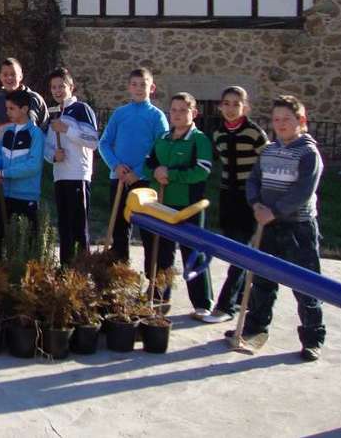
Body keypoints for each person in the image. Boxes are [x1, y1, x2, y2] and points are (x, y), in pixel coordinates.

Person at [231, 95, 325, 361]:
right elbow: (254, 181)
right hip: (266, 224)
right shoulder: (269, 151)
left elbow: (303, 191)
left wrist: (275, 211)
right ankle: (255, 328)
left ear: (301, 121)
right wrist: (257, 205)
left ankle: (312, 337)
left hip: (298, 228)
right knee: (261, 280)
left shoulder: (308, 153)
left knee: (306, 284)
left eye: (287, 119)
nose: (281, 124)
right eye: (276, 120)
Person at [142, 92, 215, 319]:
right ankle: (160, 297)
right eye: (173, 110)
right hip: (163, 205)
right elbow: (147, 164)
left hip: (189, 206)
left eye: (183, 110)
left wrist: (171, 174)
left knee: (192, 252)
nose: (177, 114)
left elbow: (202, 170)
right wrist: (155, 172)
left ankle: (202, 301)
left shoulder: (199, 140)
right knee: (162, 252)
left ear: (194, 113)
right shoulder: (162, 139)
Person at [204, 86, 270, 323]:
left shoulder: (255, 133)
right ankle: (243, 298)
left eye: (236, 103)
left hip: (250, 198)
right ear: (220, 106)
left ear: (246, 107)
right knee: (235, 250)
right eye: (227, 103)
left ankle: (225, 306)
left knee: (241, 253)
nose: (231, 109)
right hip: (228, 197)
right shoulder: (219, 134)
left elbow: (268, 163)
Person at [97, 67, 169, 261]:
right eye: (135, 84)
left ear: (152, 87)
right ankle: (119, 275)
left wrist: (139, 172)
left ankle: (152, 283)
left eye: (143, 84)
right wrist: (116, 166)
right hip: (119, 178)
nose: (139, 88)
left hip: (144, 182)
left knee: (148, 232)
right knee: (119, 229)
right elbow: (103, 143)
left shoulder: (157, 116)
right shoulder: (120, 114)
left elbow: (160, 148)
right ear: (129, 87)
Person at [43, 68, 98, 265]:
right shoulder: (54, 113)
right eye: (53, 87)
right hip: (60, 175)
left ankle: (83, 271)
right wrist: (53, 156)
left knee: (78, 226)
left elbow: (93, 141)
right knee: (64, 226)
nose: (57, 91)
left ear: (71, 87)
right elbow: (48, 146)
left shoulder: (82, 109)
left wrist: (67, 129)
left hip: (78, 174)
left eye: (61, 86)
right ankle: (65, 270)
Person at [0, 89, 45, 252]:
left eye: (11, 109)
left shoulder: (36, 134)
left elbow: (33, 166)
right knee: (0, 243)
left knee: (25, 245)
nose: (7, 112)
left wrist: (5, 173)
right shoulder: (7, 132)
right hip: (4, 195)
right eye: (7, 108)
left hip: (26, 197)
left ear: (25, 109)